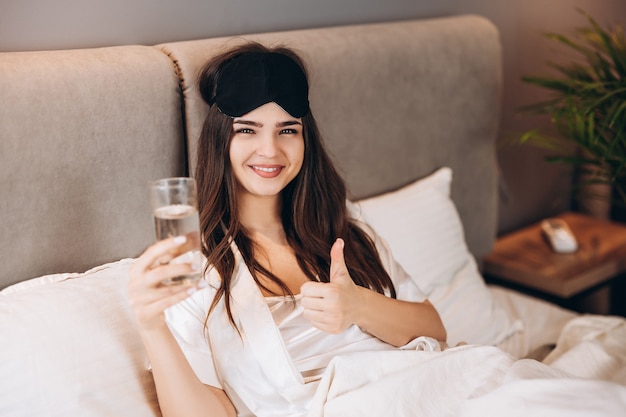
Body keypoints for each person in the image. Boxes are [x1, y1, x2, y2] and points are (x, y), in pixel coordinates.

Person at [128, 41, 446, 417]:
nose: (270, 150)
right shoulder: (197, 269)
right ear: (220, 139)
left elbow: (435, 331)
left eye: (287, 130)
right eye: (247, 130)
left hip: (429, 390)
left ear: (304, 138)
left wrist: (360, 305)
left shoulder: (346, 234)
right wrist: (151, 327)